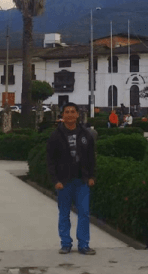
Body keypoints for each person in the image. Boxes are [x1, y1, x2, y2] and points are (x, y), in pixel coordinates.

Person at [46, 102, 96, 255]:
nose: (69, 114)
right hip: (64, 182)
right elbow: (50, 160)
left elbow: (91, 157)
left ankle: (84, 244)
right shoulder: (55, 136)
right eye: (66, 112)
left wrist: (92, 176)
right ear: (62, 115)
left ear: (77, 115)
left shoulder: (86, 134)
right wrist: (56, 180)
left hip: (82, 181)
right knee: (64, 214)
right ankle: (66, 243)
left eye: (72, 112)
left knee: (84, 213)